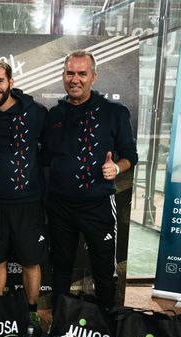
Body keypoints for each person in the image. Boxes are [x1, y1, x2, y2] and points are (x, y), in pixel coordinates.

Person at [43, 50, 138, 310]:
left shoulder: (115, 112)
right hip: (60, 206)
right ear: (63, 76)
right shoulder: (54, 115)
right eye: (70, 73)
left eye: (82, 74)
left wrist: (116, 168)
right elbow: (45, 157)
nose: (75, 79)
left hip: (98, 205)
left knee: (104, 270)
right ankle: (60, 322)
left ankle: (106, 322)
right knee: (60, 269)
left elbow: (130, 156)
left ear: (93, 77)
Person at [0, 59, 48, 337]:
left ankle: (32, 314)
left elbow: (51, 151)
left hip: (27, 203)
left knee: (30, 261)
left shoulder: (36, 113)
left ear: (11, 82)